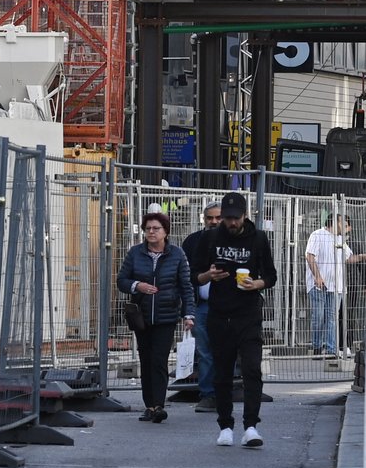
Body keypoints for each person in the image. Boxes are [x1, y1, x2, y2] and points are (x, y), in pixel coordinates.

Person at [189, 192, 277, 449]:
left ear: (245, 215)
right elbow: (195, 275)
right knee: (222, 372)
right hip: (219, 313)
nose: (230, 223)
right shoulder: (210, 237)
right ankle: (225, 425)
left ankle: (251, 426)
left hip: (248, 313)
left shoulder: (258, 238)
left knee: (251, 369)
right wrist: (209, 275)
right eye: (226, 218)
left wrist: (256, 284)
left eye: (235, 218)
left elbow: (271, 276)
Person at [117, 211, 196, 423]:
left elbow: (186, 286)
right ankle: (149, 405)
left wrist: (188, 314)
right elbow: (122, 280)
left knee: (159, 361)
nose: (151, 232)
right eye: (148, 229)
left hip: (166, 316)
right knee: (146, 359)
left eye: (156, 228)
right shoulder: (135, 253)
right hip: (141, 316)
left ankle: (159, 405)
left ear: (165, 232)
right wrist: (137, 285)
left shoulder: (177, 254)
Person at [304, 212, 366, 356]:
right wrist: (317, 277)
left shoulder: (340, 240)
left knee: (332, 318)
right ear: (334, 222)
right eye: (343, 224)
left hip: (337, 286)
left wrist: (363, 256)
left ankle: (331, 350)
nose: (346, 228)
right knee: (319, 316)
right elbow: (310, 256)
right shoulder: (317, 234)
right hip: (318, 285)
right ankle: (316, 347)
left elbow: (349, 258)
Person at [181, 202, 223, 411]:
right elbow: (184, 276)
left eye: (218, 217)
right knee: (205, 352)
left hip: (226, 306)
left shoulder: (235, 241)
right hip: (201, 305)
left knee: (225, 350)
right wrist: (187, 309)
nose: (214, 222)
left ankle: (223, 392)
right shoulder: (192, 242)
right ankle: (208, 395)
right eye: (210, 218)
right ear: (204, 219)